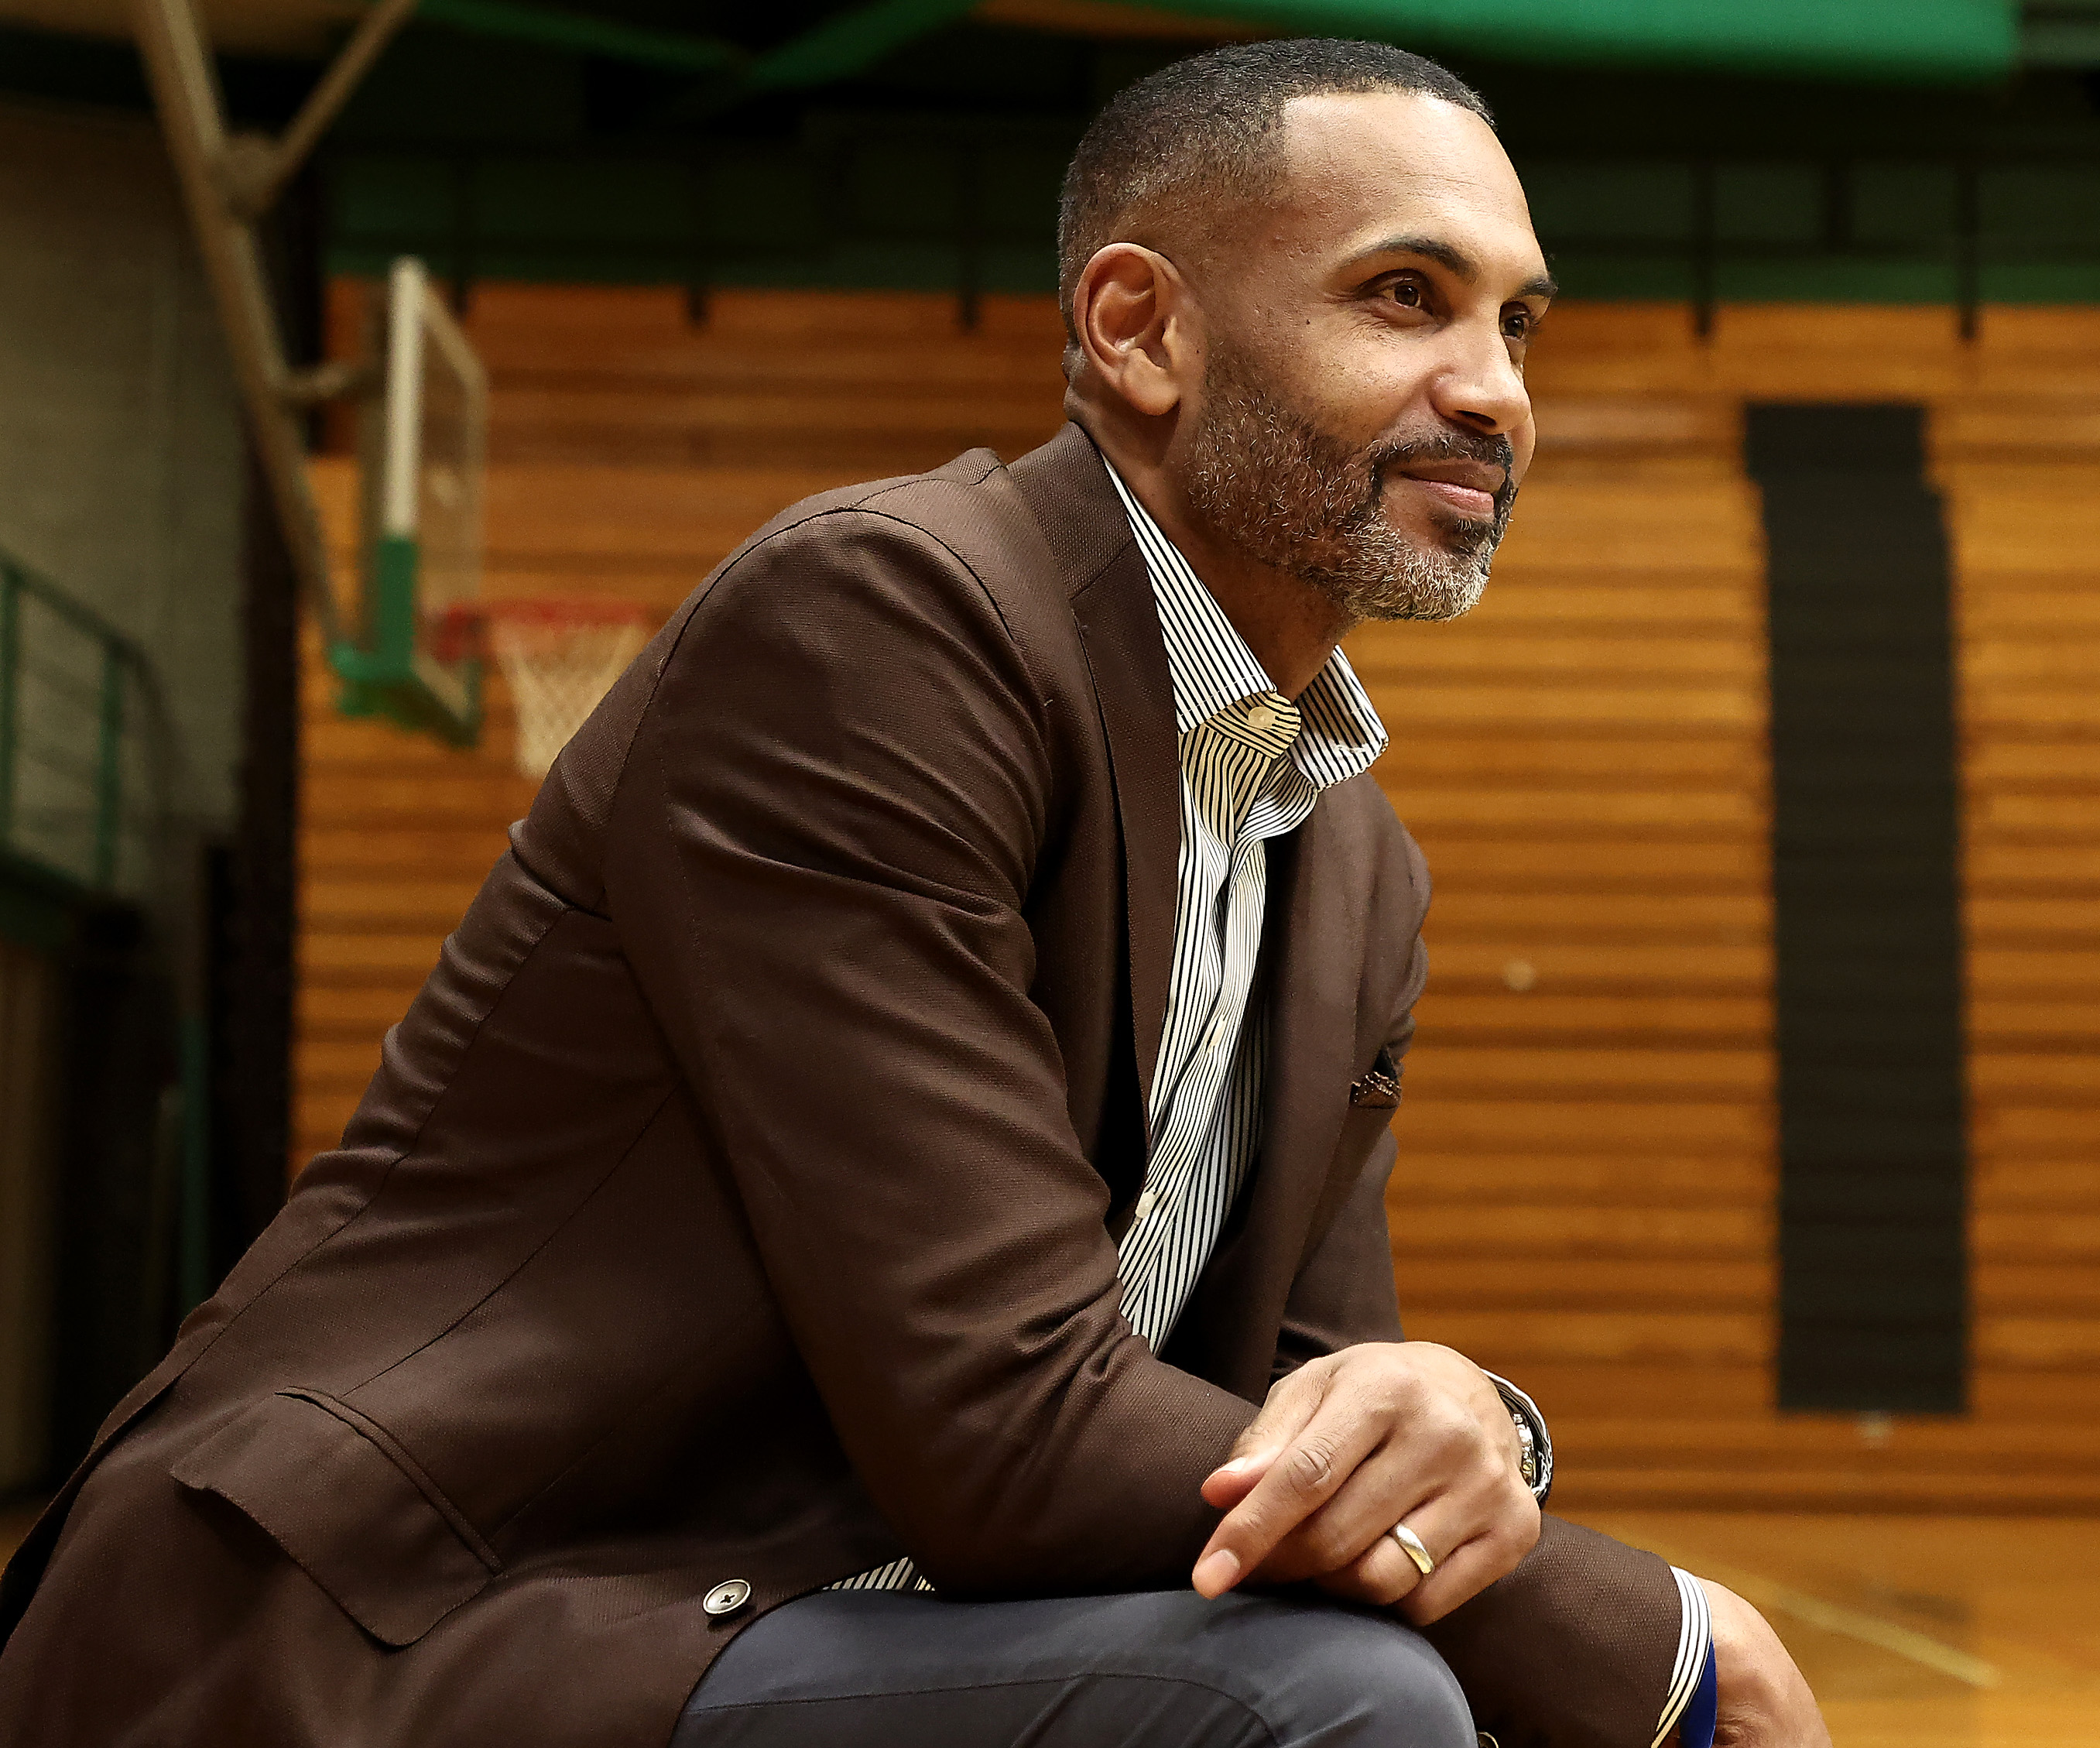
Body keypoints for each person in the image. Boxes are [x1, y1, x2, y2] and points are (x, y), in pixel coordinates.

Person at [0, 38, 1828, 1748]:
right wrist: (1664, 1647)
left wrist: (1477, 1436)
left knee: (1369, 1661)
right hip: (427, 1612)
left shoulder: (1349, 856)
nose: (1496, 391)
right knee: (1332, 1706)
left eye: (1519, 323)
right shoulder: (885, 623)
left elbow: (1301, 1409)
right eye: (1402, 297)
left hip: (810, 1601)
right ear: (1138, 330)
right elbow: (1006, 1418)